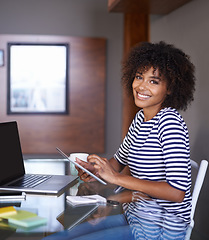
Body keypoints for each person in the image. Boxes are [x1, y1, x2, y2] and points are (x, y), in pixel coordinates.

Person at [43, 41, 196, 240]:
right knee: (54, 237)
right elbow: (118, 161)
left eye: (154, 81)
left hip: (159, 229)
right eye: (139, 77)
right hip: (135, 217)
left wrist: (116, 179)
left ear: (170, 88)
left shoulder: (170, 123)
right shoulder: (141, 118)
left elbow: (177, 192)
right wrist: (95, 169)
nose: (141, 86)